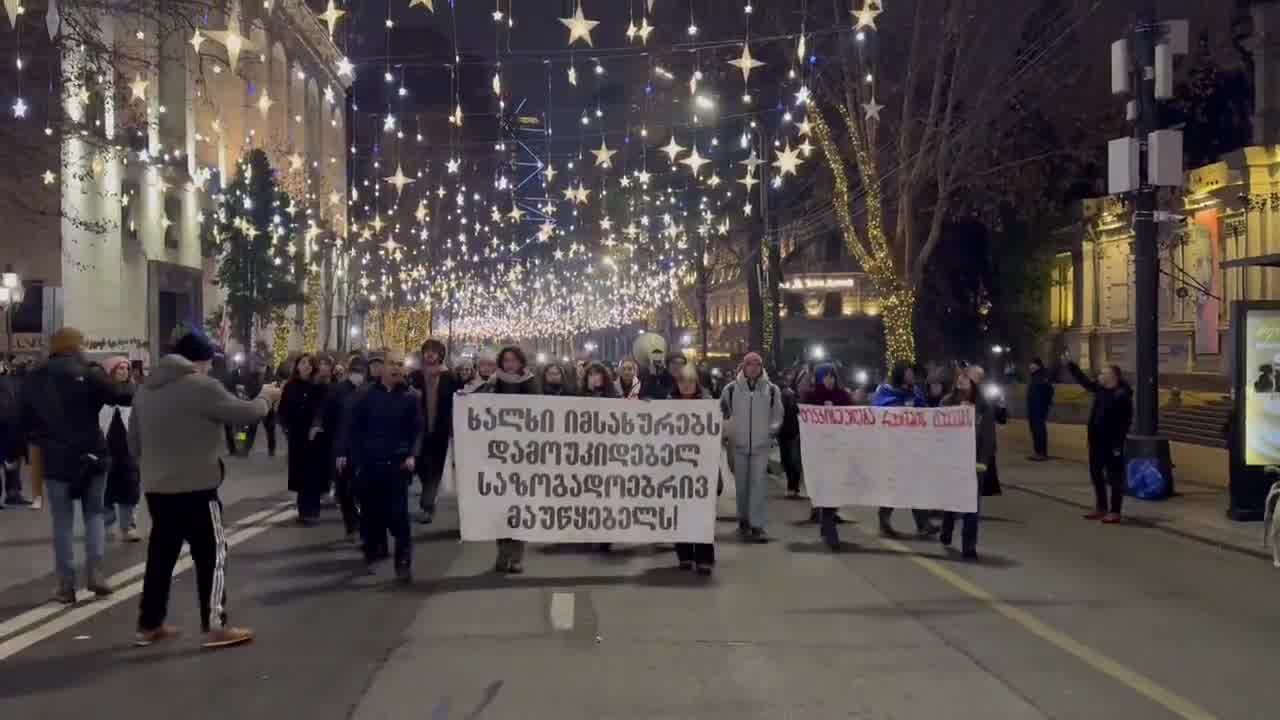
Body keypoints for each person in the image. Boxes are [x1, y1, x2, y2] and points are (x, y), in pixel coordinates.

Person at [130, 332, 274, 648]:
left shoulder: (144, 391)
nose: (210, 368)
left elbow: (134, 443)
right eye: (209, 362)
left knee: (161, 557)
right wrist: (266, 397)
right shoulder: (200, 385)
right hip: (197, 487)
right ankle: (215, 625)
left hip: (157, 488)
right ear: (200, 361)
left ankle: (148, 624)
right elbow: (246, 412)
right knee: (213, 554)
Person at [20, 328, 133, 603]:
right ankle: (95, 573)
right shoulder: (90, 373)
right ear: (76, 346)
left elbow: (23, 417)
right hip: (92, 455)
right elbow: (120, 396)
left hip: (56, 458)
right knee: (94, 514)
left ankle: (65, 584)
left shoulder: (35, 377)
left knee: (62, 520)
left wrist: (31, 442)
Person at [338, 354, 421, 584]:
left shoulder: (410, 398)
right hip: (369, 465)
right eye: (391, 364)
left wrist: (413, 454)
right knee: (372, 515)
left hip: (398, 465)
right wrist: (347, 455)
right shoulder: (364, 396)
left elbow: (417, 431)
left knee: (399, 517)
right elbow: (351, 429)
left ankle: (403, 562)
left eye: (398, 365)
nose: (395, 369)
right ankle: (373, 552)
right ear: (380, 369)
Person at [721, 351, 783, 543]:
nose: (754, 367)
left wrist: (770, 433)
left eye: (757, 364)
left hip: (760, 446)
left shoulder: (772, 390)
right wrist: (727, 434)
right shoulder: (730, 390)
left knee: (758, 485)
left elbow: (777, 415)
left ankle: (757, 525)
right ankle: (743, 519)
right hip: (738, 446)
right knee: (742, 486)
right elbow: (723, 413)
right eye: (750, 364)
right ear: (744, 366)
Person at [871, 362, 938, 538]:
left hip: (913, 445)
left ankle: (923, 523)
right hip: (892, 446)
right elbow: (879, 412)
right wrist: (899, 412)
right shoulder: (886, 391)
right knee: (894, 485)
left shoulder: (915, 392)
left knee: (915, 484)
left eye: (912, 373)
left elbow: (926, 413)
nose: (911, 376)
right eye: (908, 372)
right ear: (900, 374)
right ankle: (884, 520)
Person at [1066, 356, 1133, 523]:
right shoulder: (1101, 389)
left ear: (1113, 377)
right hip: (1096, 441)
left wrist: (1118, 444)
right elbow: (1086, 383)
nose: (1100, 376)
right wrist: (1073, 367)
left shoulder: (1122, 396)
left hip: (1112, 443)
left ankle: (1115, 511)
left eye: (1103, 373)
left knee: (1114, 477)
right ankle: (1101, 507)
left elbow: (1125, 422)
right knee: (1096, 474)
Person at [488, 346, 536, 571]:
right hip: (499, 452)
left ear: (521, 362)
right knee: (500, 506)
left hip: (523, 453)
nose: (509, 365)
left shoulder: (530, 382)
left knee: (519, 507)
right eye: (505, 361)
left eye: (513, 361)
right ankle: (502, 552)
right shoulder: (492, 382)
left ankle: (516, 557)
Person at [939, 370, 994, 560]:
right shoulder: (947, 403)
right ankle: (947, 528)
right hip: (953, 460)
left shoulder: (983, 407)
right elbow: (939, 432)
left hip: (974, 462)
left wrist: (984, 461)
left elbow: (988, 436)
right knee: (953, 499)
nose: (963, 384)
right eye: (960, 381)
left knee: (972, 506)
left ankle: (969, 547)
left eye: (967, 381)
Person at [669, 366, 715, 574]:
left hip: (701, 466)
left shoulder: (707, 404)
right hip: (676, 466)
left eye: (690, 381)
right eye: (682, 381)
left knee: (701, 512)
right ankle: (685, 555)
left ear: (696, 382)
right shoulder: (668, 404)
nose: (686, 385)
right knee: (680, 512)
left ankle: (704, 557)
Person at [803, 364, 854, 551]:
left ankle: (827, 522)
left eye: (832, 376)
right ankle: (830, 529)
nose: (829, 380)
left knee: (836, 489)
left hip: (839, 450)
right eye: (826, 376)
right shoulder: (811, 397)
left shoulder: (843, 397)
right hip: (819, 451)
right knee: (825, 489)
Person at [279, 354, 326, 524]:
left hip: (314, 438)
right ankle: (302, 510)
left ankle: (312, 511)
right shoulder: (290, 386)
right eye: (302, 363)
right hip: (297, 436)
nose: (306, 366)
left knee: (312, 475)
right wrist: (286, 426)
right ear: (297, 366)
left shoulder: (319, 387)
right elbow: (283, 409)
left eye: (309, 363)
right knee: (299, 474)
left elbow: (323, 409)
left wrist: (316, 425)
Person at [324, 355, 367, 542]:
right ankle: (351, 525)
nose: (358, 375)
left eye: (361, 372)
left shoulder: (370, 390)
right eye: (355, 371)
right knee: (344, 491)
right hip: (341, 448)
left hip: (365, 449)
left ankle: (363, 525)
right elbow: (328, 416)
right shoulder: (338, 390)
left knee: (363, 490)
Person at [416, 338, 458, 524]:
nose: (430, 354)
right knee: (421, 467)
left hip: (440, 431)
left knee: (434, 470)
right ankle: (428, 496)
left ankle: (427, 506)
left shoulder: (449, 377)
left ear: (441, 354)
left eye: (434, 351)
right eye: (427, 350)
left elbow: (460, 398)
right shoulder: (415, 376)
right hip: (419, 431)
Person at [102, 356, 142, 542]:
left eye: (126, 368)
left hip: (128, 449)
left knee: (130, 486)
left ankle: (128, 526)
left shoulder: (136, 393)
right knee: (105, 487)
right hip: (106, 448)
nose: (124, 371)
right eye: (120, 369)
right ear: (111, 372)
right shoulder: (101, 394)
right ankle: (108, 524)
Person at [0, 359, 31, 507]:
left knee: (13, 459)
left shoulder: (13, 378)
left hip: (14, 425)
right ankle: (12, 493)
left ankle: (13, 493)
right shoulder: (9, 378)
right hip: (7, 424)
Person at [777, 368, 804, 500]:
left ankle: (794, 486)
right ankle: (790, 485)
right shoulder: (780, 392)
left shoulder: (795, 394)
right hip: (783, 431)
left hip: (794, 431)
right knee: (787, 459)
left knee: (794, 460)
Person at [1026, 357, 1055, 461]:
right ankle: (1037, 452)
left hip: (1039, 409)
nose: (1030, 366)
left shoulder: (1042, 377)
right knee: (1034, 430)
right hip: (1033, 408)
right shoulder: (1034, 377)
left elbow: (1050, 391)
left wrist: (1044, 405)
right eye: (1030, 364)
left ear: (1038, 366)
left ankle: (1042, 453)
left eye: (1032, 364)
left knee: (1039, 430)